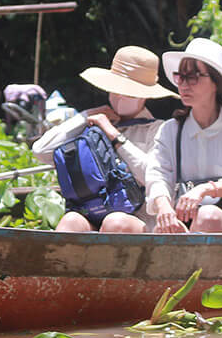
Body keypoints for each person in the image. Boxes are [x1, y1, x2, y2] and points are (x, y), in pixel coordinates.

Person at [32, 45, 176, 232]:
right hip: (94, 213)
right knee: (71, 221)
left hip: (139, 220)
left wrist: (114, 136)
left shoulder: (158, 129)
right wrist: (85, 116)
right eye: (115, 89)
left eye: (129, 91)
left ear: (144, 96)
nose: (119, 95)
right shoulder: (92, 123)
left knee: (115, 222)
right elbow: (41, 151)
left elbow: (153, 176)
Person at [146, 38, 222, 233]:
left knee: (208, 216)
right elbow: (157, 175)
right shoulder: (170, 130)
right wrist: (164, 207)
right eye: (180, 77)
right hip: (184, 225)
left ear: (216, 82)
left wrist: (205, 190)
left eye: (193, 77)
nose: (184, 85)